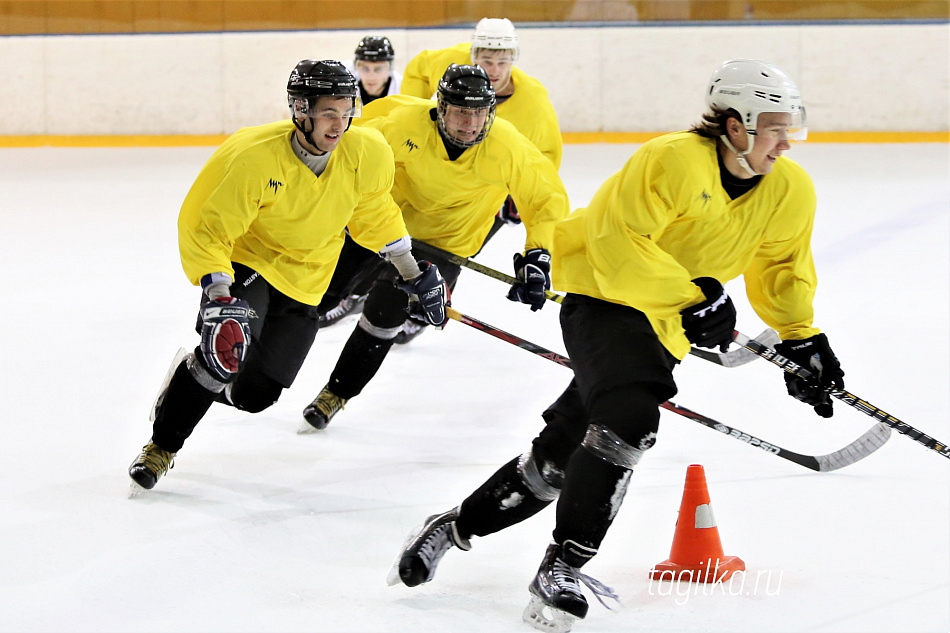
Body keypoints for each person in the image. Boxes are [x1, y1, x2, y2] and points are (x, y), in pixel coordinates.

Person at [388, 59, 846, 633]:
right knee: (630, 419)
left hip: (667, 325)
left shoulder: (789, 190)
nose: (786, 141)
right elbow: (616, 240)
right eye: (776, 127)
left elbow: (783, 268)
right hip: (604, 298)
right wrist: (693, 295)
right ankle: (563, 567)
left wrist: (804, 341)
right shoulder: (672, 161)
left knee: (558, 459)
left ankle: (454, 527)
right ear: (737, 125)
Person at [127, 59, 448, 491]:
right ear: (300, 110)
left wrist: (413, 273)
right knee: (225, 353)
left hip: (308, 280)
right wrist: (219, 292)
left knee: (256, 396)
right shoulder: (253, 156)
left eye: (347, 109)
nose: (339, 123)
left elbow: (375, 215)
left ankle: (196, 376)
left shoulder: (366, 152)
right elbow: (209, 227)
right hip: (252, 264)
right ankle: (161, 446)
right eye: (327, 112)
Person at [300, 64, 570, 432]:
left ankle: (336, 393)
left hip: (443, 246)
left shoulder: (507, 145)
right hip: (380, 228)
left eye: (479, 112)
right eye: (461, 111)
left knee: (384, 317)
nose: (471, 123)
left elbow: (545, 198)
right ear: (440, 107)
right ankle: (258, 354)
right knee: (316, 296)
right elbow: (346, 150)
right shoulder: (403, 124)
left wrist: (538, 254)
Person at [321, 19, 564, 337]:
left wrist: (522, 213)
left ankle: (432, 295)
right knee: (378, 240)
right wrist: (423, 113)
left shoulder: (533, 103)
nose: (493, 69)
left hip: (486, 186)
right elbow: (419, 71)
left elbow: (542, 164)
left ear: (514, 59)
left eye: (503, 61)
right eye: (486, 60)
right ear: (472, 54)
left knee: (458, 241)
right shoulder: (449, 64)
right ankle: (360, 292)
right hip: (423, 178)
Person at [320, 35, 407, 328]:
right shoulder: (343, 88)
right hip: (352, 170)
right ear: (357, 66)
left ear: (390, 68)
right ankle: (335, 288)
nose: (371, 76)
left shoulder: (405, 91)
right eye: (365, 68)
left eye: (379, 69)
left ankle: (353, 294)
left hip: (390, 174)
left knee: (378, 238)